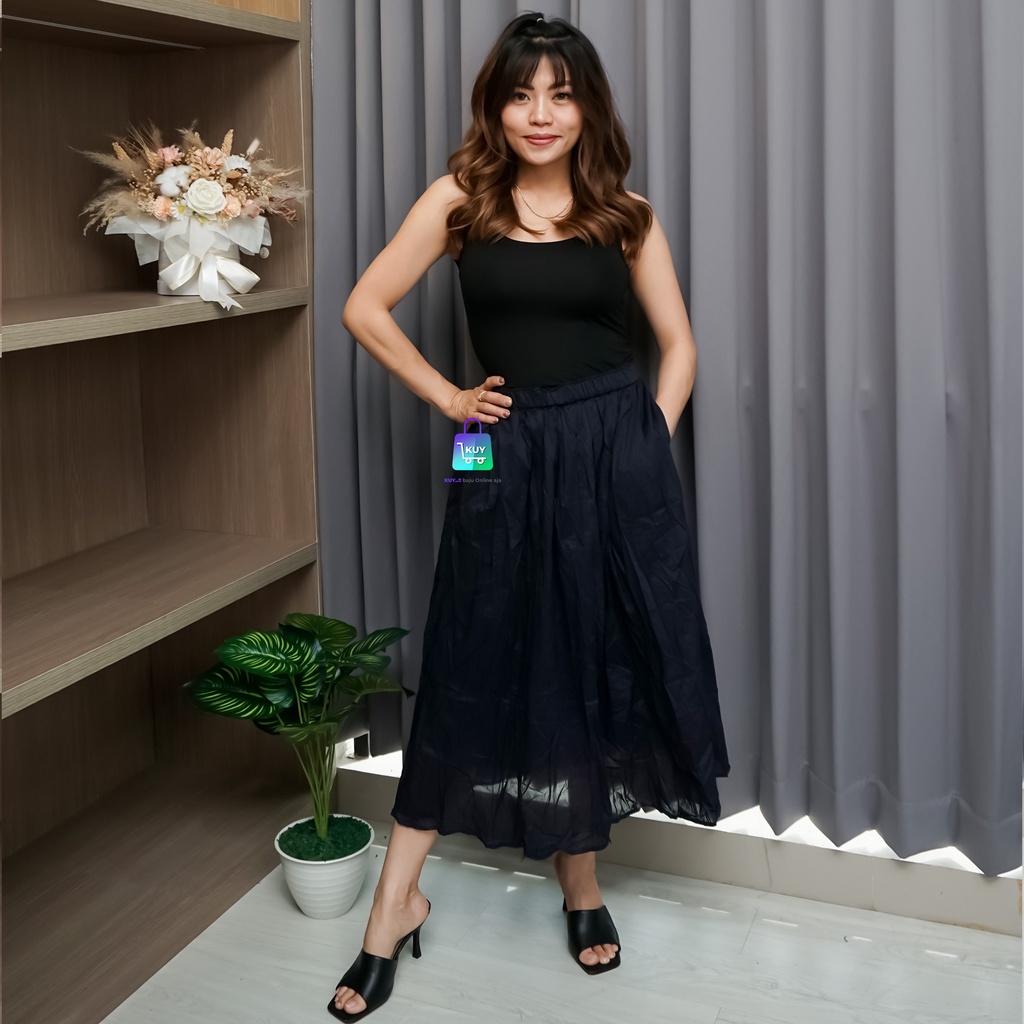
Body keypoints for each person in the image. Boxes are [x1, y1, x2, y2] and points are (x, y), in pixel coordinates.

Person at [329, 12, 730, 1021]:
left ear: (587, 107)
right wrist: (449, 396)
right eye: (521, 94)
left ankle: (580, 883)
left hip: (610, 453)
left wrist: (644, 437)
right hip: (496, 449)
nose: (540, 114)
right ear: (496, 108)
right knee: (471, 654)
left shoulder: (626, 214)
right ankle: (393, 904)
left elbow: (678, 346)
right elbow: (363, 307)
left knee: (589, 657)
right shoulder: (458, 200)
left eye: (560, 93)